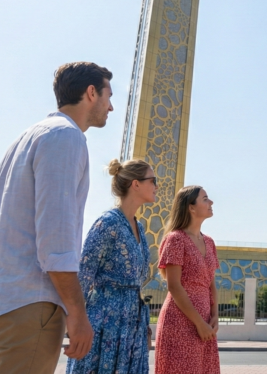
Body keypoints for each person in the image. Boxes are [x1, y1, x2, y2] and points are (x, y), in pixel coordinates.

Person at [0, 62, 114, 374]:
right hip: (30, 307)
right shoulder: (66, 137)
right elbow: (56, 238)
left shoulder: (25, 138)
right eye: (108, 96)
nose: (111, 106)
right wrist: (77, 313)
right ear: (91, 93)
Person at [67, 158, 157, 374]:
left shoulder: (140, 227)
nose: (156, 186)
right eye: (153, 180)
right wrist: (76, 323)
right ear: (135, 184)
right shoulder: (107, 223)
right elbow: (83, 277)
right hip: (104, 325)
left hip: (132, 328)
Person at [154, 186, 221, 374]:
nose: (211, 202)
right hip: (180, 322)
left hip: (206, 324)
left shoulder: (209, 242)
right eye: (205, 199)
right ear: (191, 207)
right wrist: (199, 323)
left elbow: (211, 284)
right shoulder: (175, 239)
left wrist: (215, 315)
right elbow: (174, 286)